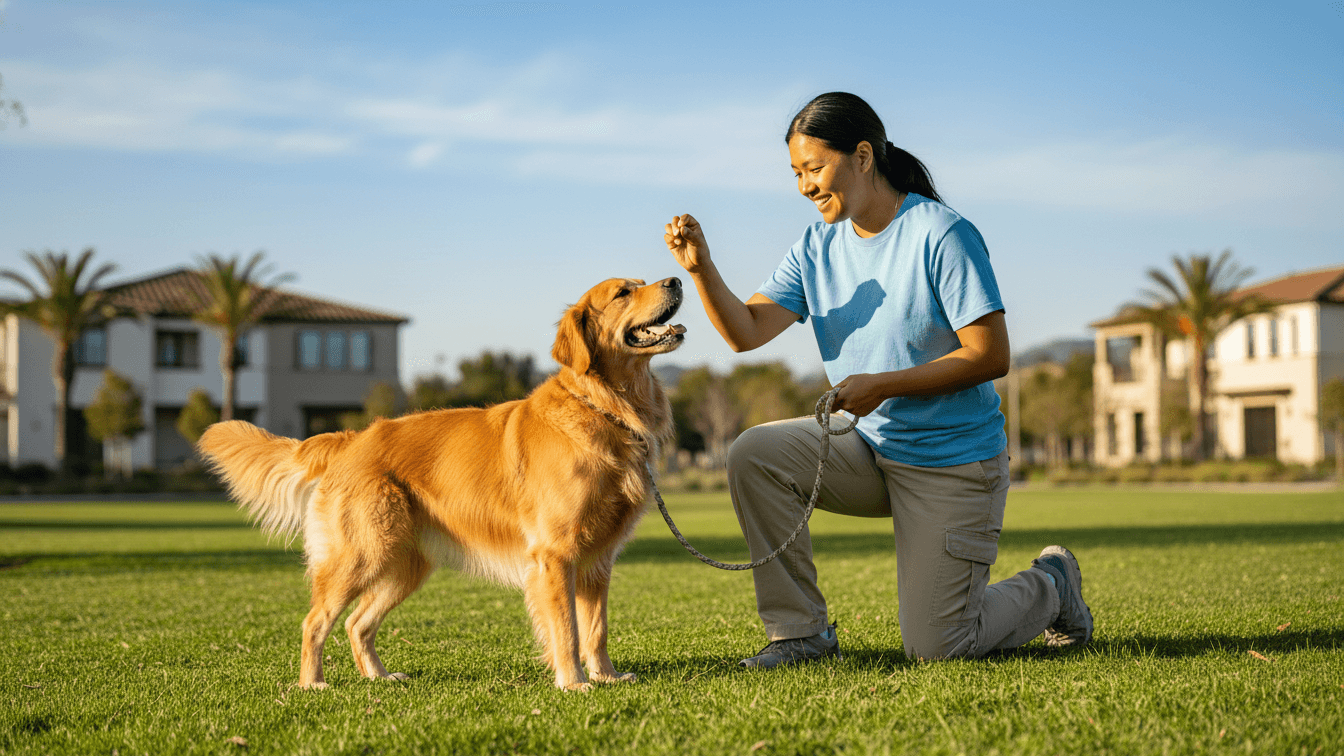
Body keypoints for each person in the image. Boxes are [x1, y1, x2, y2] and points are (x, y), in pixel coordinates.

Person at [662, 92, 1092, 667]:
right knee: (753, 453)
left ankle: (1052, 585)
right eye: (796, 173)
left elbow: (991, 356)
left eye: (814, 169)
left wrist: (884, 384)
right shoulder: (816, 246)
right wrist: (701, 268)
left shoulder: (940, 234)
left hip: (952, 462)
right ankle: (801, 633)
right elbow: (746, 331)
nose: (805, 187)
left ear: (862, 156)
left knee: (938, 648)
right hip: (868, 449)